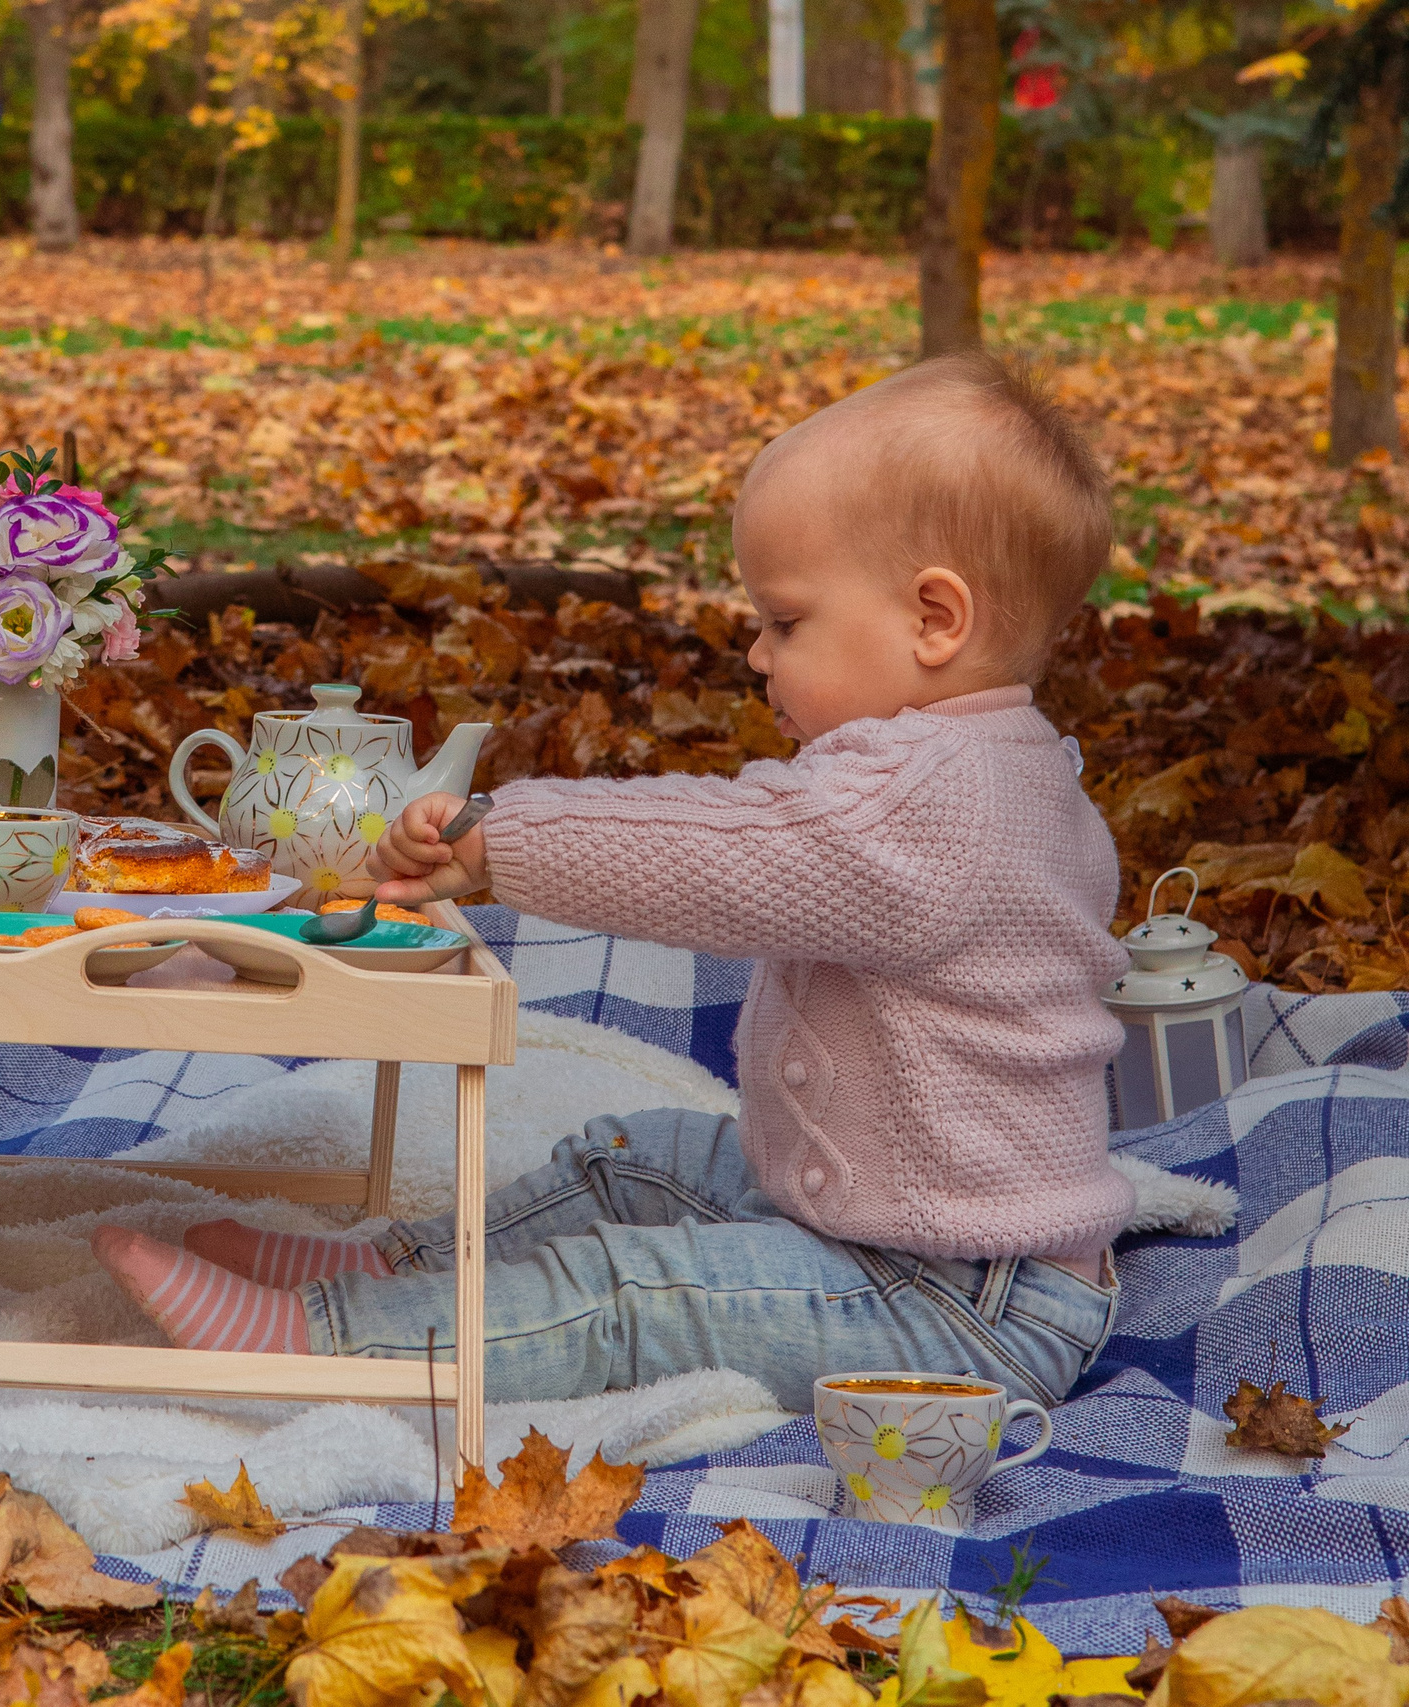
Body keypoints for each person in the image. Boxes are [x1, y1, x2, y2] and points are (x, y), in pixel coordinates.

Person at [91, 350, 1130, 1415]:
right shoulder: (985, 768)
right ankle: (402, 1274)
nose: (758, 657)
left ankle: (335, 1348)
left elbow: (726, 847)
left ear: (934, 620)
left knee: (639, 1290)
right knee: (636, 1154)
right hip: (890, 1236)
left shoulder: (934, 800)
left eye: (785, 622)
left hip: (954, 1306)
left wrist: (504, 843)